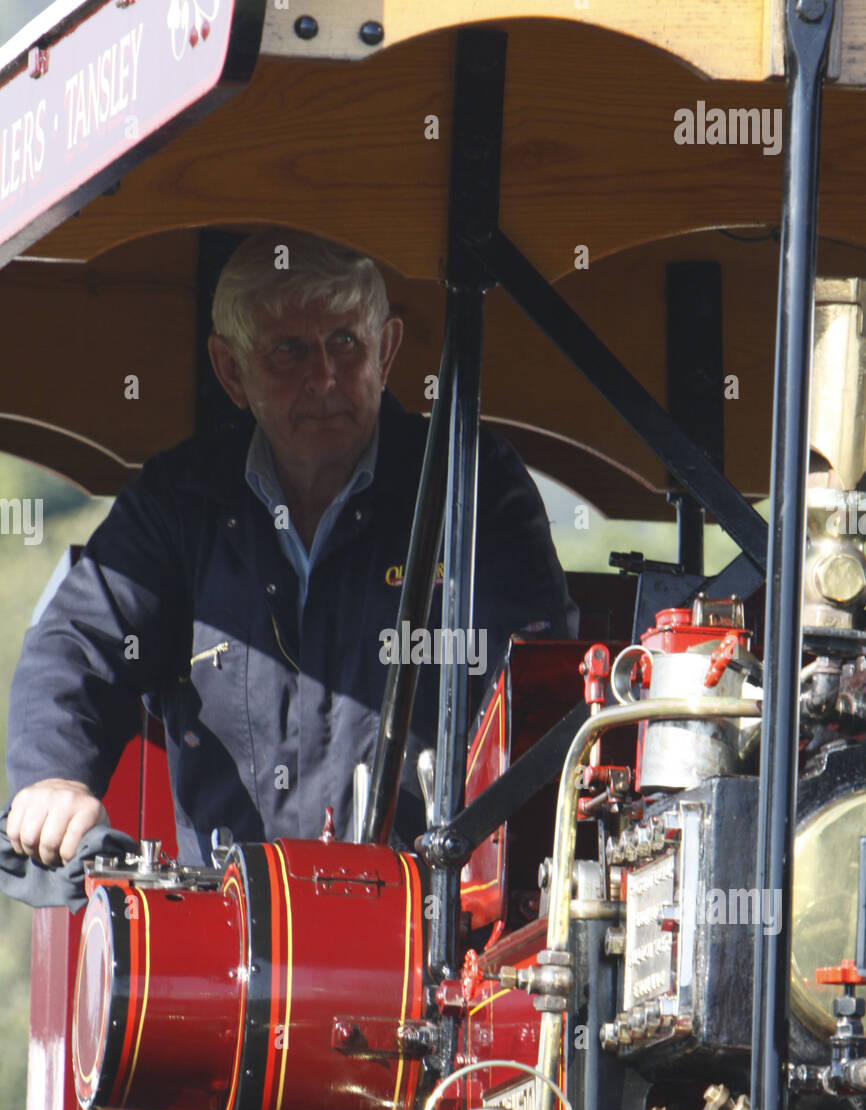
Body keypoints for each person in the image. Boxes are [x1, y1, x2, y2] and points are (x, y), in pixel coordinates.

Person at [5, 229, 578, 876]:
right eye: (289, 351)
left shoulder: (470, 483)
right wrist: (53, 776)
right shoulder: (179, 501)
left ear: (385, 352)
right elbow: (80, 640)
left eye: (345, 343)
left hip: (431, 939)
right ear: (231, 371)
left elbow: (534, 686)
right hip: (227, 934)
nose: (324, 377)